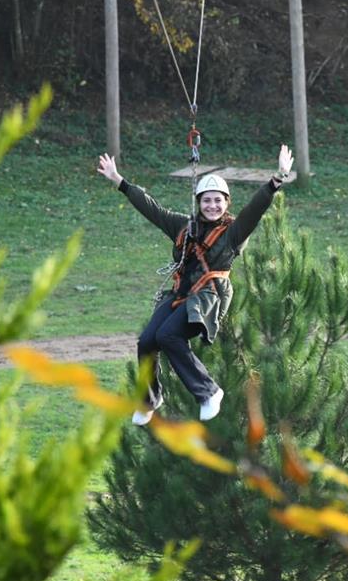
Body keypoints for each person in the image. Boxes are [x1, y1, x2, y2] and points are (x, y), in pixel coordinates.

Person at [96, 145, 294, 425]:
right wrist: (119, 181)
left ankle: (209, 392)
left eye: (218, 201)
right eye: (206, 201)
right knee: (147, 341)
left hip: (208, 298)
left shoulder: (233, 232)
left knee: (168, 336)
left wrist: (277, 179)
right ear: (199, 203)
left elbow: (255, 209)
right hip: (181, 294)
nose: (212, 206)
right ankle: (149, 399)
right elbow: (152, 209)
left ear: (226, 203)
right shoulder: (184, 226)